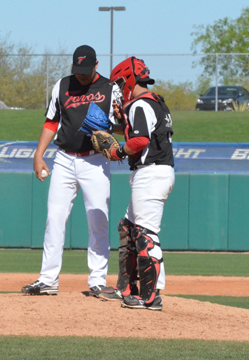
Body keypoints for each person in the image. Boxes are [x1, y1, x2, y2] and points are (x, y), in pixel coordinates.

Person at [22, 45, 121, 298]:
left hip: (96, 160)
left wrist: (114, 128)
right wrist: (38, 154)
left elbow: (122, 126)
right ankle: (47, 280)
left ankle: (98, 281)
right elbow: (51, 121)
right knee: (54, 219)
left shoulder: (111, 89)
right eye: (78, 71)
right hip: (64, 158)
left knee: (97, 220)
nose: (81, 76)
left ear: (96, 66)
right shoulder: (62, 85)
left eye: (86, 71)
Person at [101, 57, 175, 311]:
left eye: (121, 83)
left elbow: (141, 140)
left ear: (130, 80)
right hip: (156, 172)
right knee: (128, 227)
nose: (120, 89)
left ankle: (151, 297)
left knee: (145, 235)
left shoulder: (139, 104)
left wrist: (118, 152)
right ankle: (127, 288)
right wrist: (124, 124)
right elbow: (143, 132)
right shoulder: (154, 102)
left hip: (151, 174)